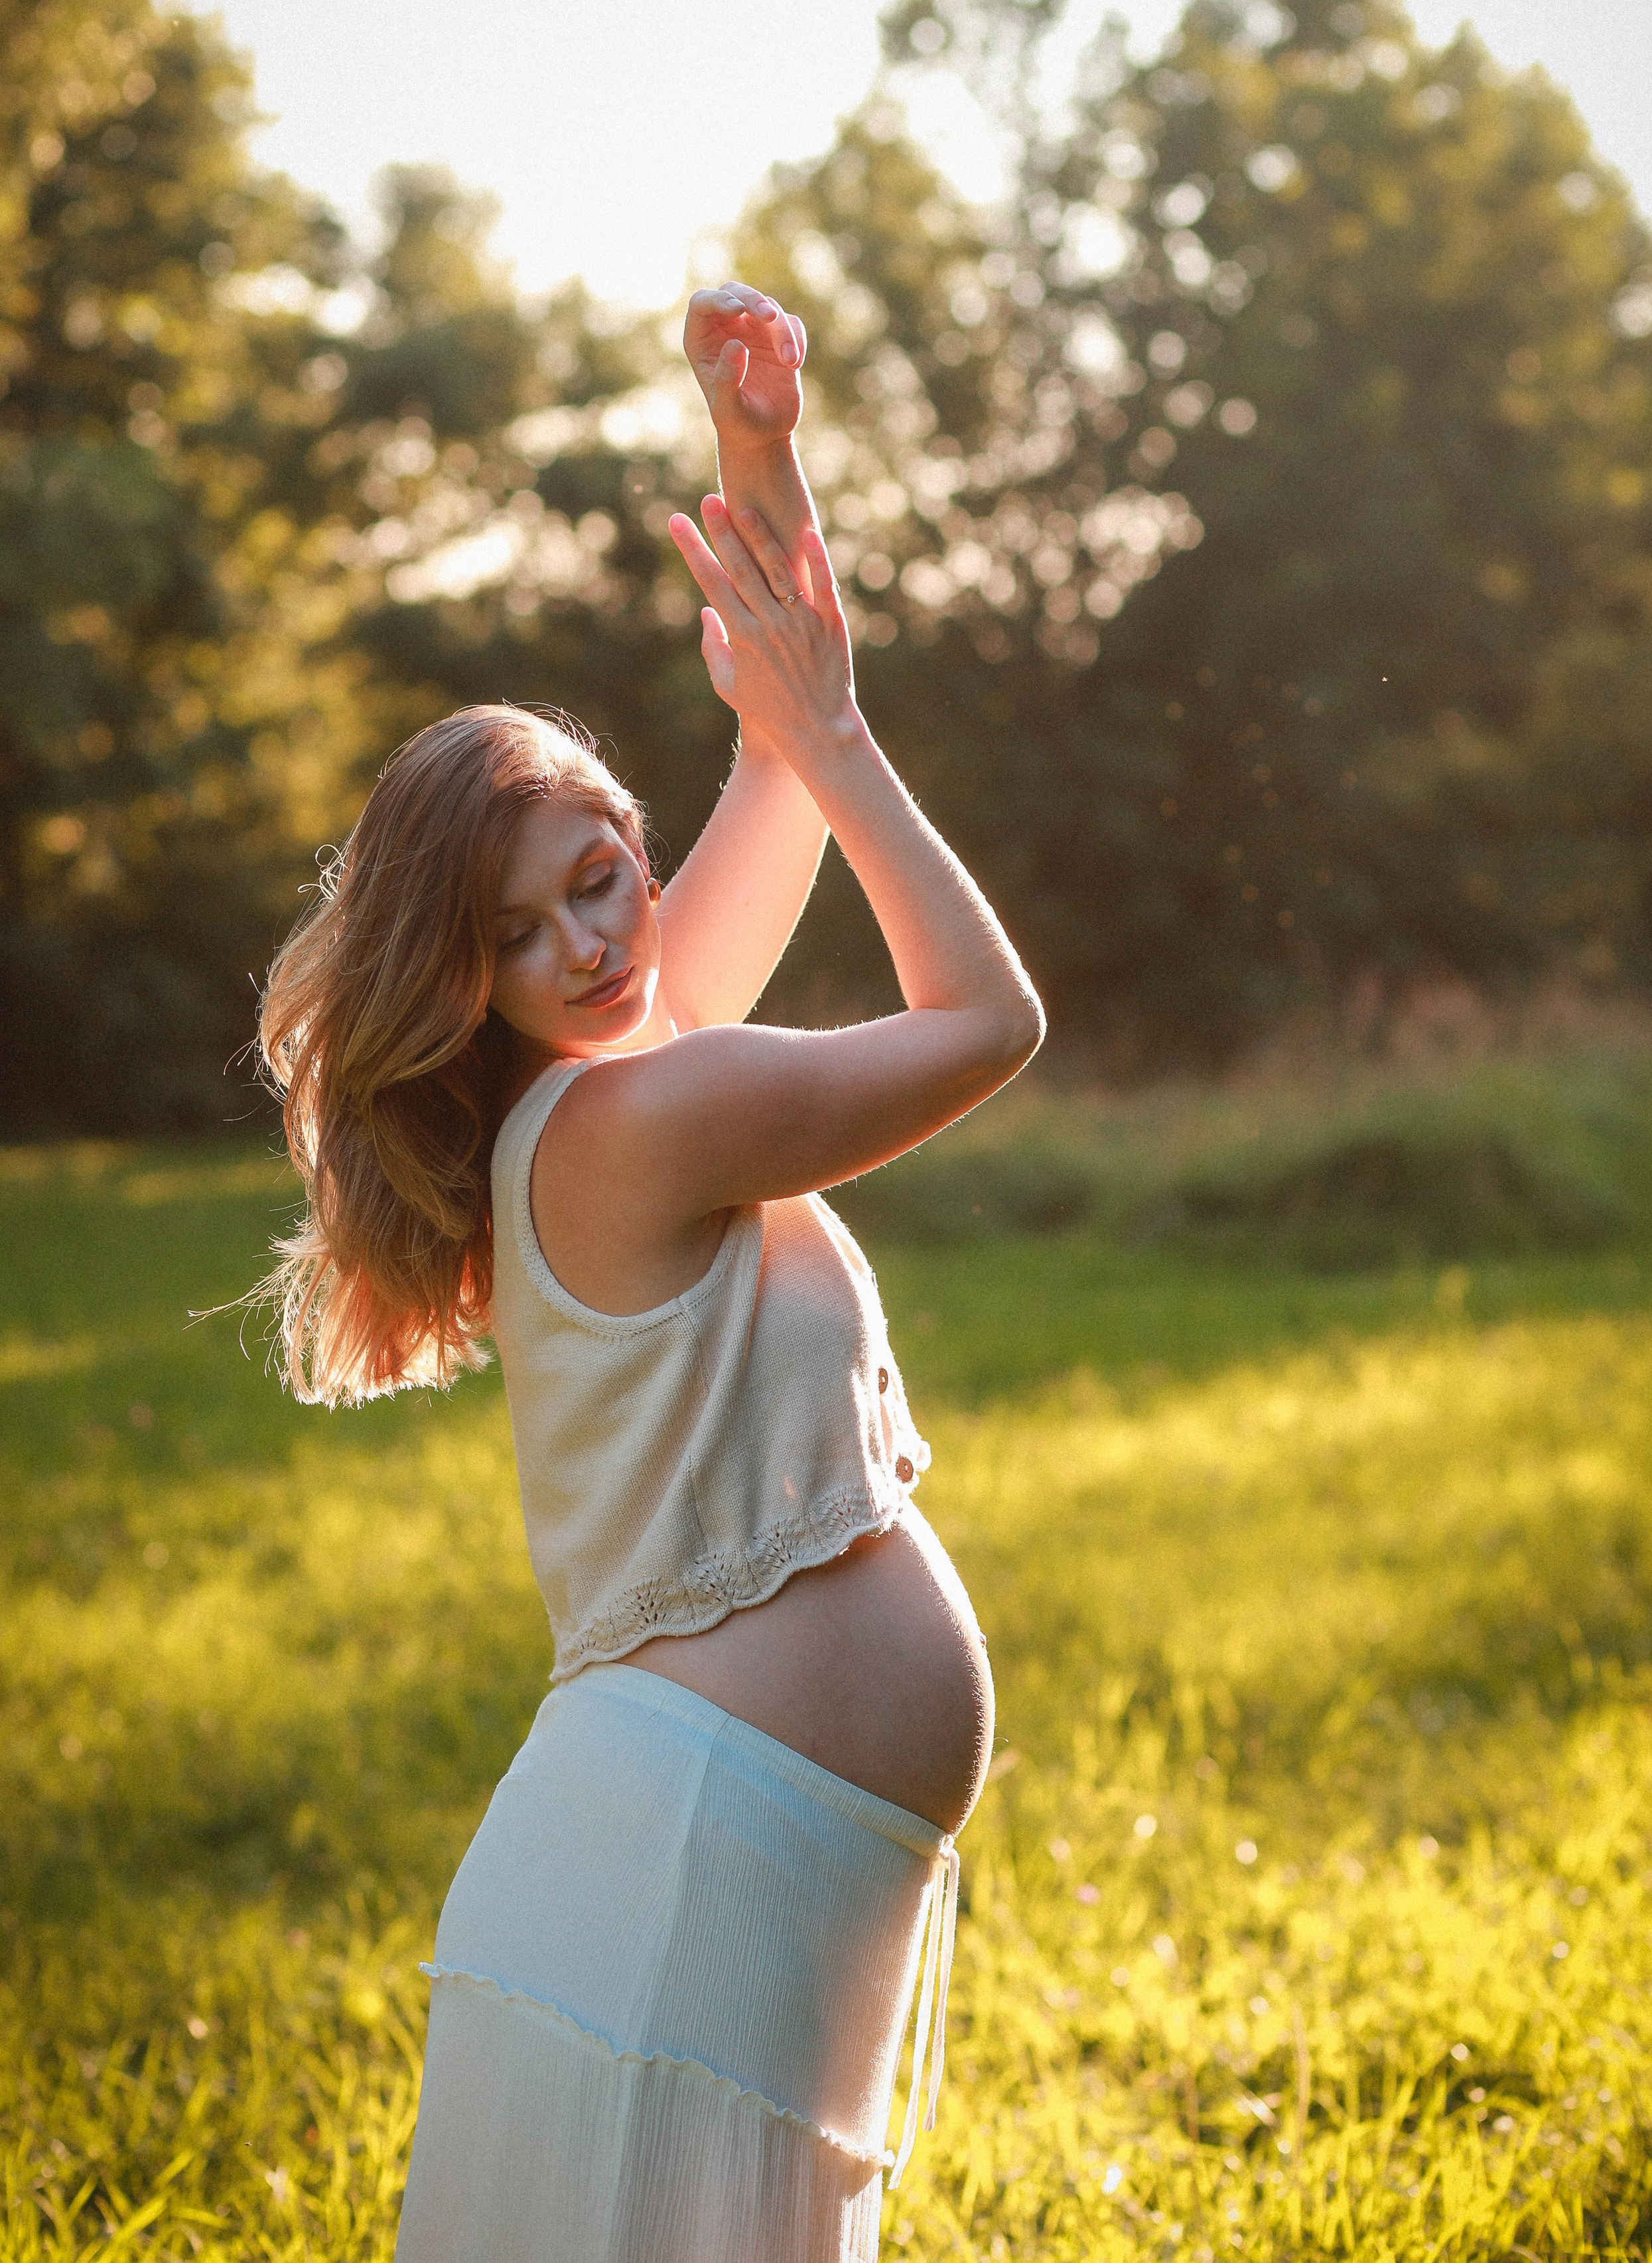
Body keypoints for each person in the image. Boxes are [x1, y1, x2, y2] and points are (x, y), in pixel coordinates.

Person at [257, 283, 1044, 2262]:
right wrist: (844, 738)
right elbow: (988, 1021)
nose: (604, 940)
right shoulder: (629, 1126)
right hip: (673, 1880)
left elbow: (763, 755)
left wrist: (758, 452)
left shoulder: (613, 1081)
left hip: (688, 1873)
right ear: (471, 979)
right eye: (532, 930)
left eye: (605, 866)